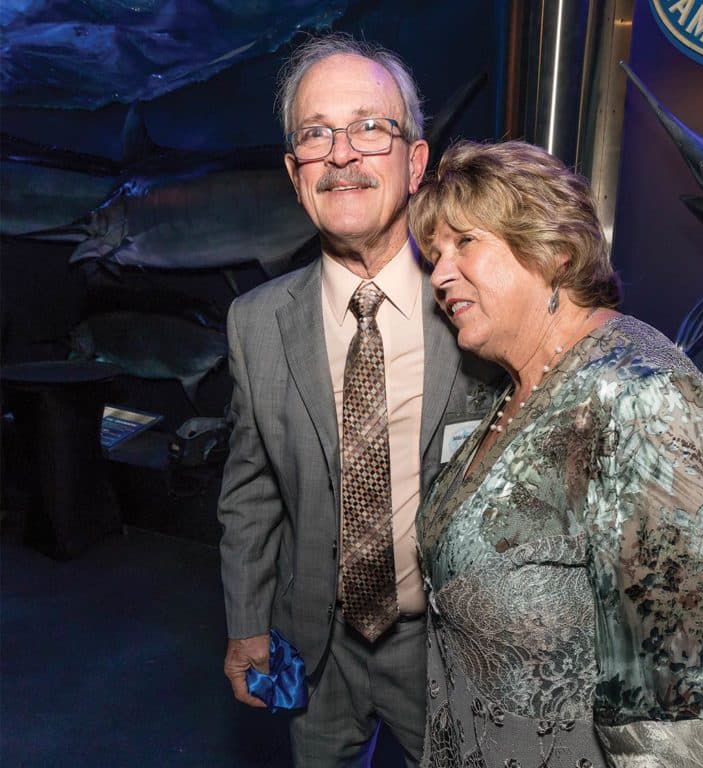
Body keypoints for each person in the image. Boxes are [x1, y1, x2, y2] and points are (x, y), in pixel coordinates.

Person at [408, 140, 703, 767]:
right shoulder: (521, 386)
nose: (438, 275)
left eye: (464, 243)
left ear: (554, 250)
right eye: (434, 255)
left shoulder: (646, 404)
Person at [217, 35, 498, 768]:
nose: (342, 154)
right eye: (316, 134)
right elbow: (250, 491)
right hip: (315, 645)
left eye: (371, 127)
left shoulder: (483, 305)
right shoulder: (255, 322)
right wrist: (246, 623)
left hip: (450, 649)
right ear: (294, 173)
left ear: (414, 162)